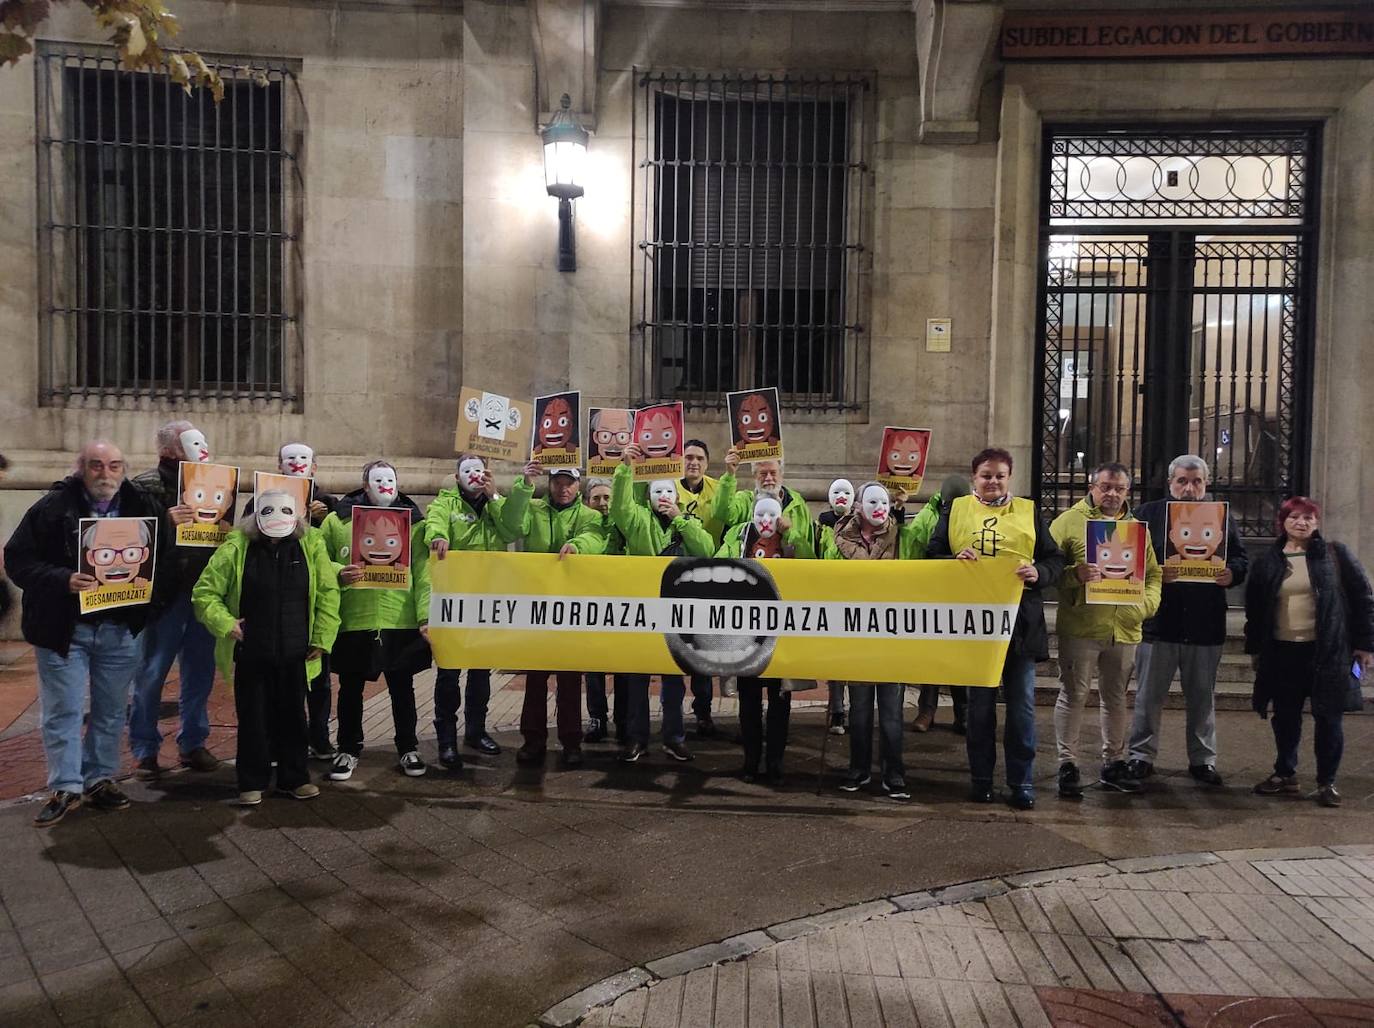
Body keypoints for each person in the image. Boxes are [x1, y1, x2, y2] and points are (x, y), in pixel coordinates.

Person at [6, 441, 170, 826]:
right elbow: (19, 560)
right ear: (81, 468)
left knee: (112, 711)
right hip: (66, 628)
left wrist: (148, 603)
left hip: (120, 629)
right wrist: (62, 579)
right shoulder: (51, 508)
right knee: (62, 710)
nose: (105, 474)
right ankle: (66, 785)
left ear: (124, 469)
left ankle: (99, 779)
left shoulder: (144, 507)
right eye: (96, 466)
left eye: (114, 466)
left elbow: (165, 562)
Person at [928, 447, 1064, 810]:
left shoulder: (1028, 511)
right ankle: (981, 779)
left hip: (1020, 623)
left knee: (1021, 708)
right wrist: (952, 560)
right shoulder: (955, 510)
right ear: (975, 478)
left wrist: (1040, 573)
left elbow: (1054, 559)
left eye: (1000, 475)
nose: (993, 481)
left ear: (1010, 478)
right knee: (979, 708)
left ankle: (1021, 781)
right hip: (973, 625)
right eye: (986, 475)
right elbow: (933, 555)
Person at [192, 488, 339, 805]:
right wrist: (226, 623)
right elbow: (205, 594)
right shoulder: (236, 548)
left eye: (285, 512)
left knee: (294, 718)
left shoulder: (310, 545)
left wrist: (322, 638)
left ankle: (294, 778)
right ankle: (251, 781)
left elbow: (328, 593)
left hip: (297, 651)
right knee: (253, 718)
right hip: (252, 652)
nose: (278, 519)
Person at [1125, 455, 1248, 787]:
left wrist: (1232, 573)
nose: (1189, 488)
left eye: (1196, 482)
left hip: (1205, 624)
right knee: (1148, 697)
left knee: (1202, 698)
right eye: (1182, 481)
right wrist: (1155, 573)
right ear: (1170, 483)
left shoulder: (1222, 517)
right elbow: (1129, 556)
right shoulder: (1148, 514)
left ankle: (1203, 760)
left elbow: (1240, 556)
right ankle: (1140, 756)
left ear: (1206, 484)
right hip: (1159, 623)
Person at [1245, 497, 1374, 808]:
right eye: (1295, 517)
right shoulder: (1268, 560)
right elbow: (1255, 607)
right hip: (1282, 651)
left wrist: (1366, 645)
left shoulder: (1334, 555)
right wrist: (1255, 649)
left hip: (1327, 652)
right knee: (1286, 717)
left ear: (1316, 523)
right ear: (1283, 521)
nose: (1301, 522)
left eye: (1308, 518)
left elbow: (1363, 598)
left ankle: (1326, 782)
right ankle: (1285, 774)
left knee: (1329, 719)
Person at [1050, 462, 1162, 799]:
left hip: (1124, 628)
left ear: (1128, 491)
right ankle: (1067, 763)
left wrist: (1145, 607)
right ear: (1091, 486)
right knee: (1073, 694)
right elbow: (1048, 568)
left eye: (1119, 488)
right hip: (1081, 626)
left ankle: (1113, 761)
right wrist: (1074, 574)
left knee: (1115, 698)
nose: (1112, 494)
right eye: (1105, 487)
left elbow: (1153, 575)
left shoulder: (1135, 528)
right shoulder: (1068, 522)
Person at [597, 450, 714, 764]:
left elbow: (706, 549)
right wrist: (624, 469)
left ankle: (674, 738)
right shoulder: (637, 521)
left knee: (674, 681)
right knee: (637, 680)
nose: (663, 497)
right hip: (642, 612)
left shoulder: (686, 522)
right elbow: (621, 507)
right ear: (647, 497)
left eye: (668, 492)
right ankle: (636, 739)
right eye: (656, 492)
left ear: (676, 496)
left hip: (675, 614)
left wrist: (679, 518)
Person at [822, 482, 937, 800]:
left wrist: (919, 498)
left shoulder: (904, 538)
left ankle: (893, 774)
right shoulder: (838, 541)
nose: (879, 507)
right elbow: (828, 581)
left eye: (884, 501)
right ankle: (857, 771)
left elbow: (928, 536)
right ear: (858, 506)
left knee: (891, 710)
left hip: (891, 636)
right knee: (859, 711)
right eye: (872, 501)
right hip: (856, 634)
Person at [321, 461, 432, 782]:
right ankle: (348, 748)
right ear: (365, 485)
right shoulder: (336, 522)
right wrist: (336, 571)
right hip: (355, 618)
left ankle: (408, 747)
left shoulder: (416, 525)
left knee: (402, 688)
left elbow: (424, 574)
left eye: (391, 479)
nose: (386, 485)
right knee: (350, 689)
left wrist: (425, 615)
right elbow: (319, 558)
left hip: (400, 619)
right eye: (378, 480)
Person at [128, 421, 223, 779]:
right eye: (192, 443)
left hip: (202, 592)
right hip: (164, 597)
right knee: (152, 673)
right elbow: (127, 543)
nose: (203, 448)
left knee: (200, 672)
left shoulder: (215, 484)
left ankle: (193, 743)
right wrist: (163, 522)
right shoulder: (145, 487)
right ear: (169, 450)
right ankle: (144, 749)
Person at [500, 463, 606, 767]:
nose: (563, 488)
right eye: (558, 482)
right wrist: (524, 485)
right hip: (537, 606)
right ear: (550, 482)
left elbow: (595, 540)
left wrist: (577, 546)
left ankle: (571, 741)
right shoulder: (532, 508)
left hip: (572, 608)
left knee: (570, 679)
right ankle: (533, 740)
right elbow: (510, 526)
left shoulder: (590, 516)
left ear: (578, 484)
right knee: (535, 678)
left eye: (569, 482)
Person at [424, 454, 516, 764]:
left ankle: (476, 731)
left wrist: (496, 498)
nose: (474, 476)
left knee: (481, 672)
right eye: (468, 471)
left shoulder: (494, 504)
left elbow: (512, 530)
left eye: (480, 470)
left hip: (486, 601)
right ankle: (446, 739)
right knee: (449, 673)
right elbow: (435, 522)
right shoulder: (445, 503)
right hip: (453, 602)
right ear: (457, 476)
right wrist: (438, 535)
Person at [718, 496, 814, 785]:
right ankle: (750, 761)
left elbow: (811, 562)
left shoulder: (790, 539)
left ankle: (775, 762)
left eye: (771, 515)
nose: (765, 521)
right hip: (747, 633)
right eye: (760, 514)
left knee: (779, 700)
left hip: (781, 634)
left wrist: (792, 535)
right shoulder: (740, 537)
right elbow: (721, 560)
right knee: (749, 701)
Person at [272, 443, 339, 758]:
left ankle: (319, 735)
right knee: (281, 680)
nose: (297, 464)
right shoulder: (263, 499)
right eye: (290, 459)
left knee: (320, 678)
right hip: (276, 602)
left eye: (304, 459)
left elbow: (339, 548)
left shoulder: (329, 505)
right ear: (279, 466)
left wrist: (323, 520)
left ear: (314, 466)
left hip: (313, 602)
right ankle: (284, 739)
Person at [911, 475, 972, 734]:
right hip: (933, 594)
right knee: (932, 660)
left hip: (964, 596)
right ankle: (927, 710)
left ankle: (963, 713)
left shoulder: (974, 514)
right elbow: (918, 549)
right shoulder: (927, 516)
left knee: (960, 660)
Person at [678, 439, 723, 737]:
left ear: (706, 463)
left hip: (707, 575)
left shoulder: (718, 488)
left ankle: (703, 710)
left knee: (702, 649)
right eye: (688, 457)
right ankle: (672, 713)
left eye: (699, 458)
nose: (693, 462)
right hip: (673, 572)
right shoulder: (667, 486)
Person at [580, 477, 628, 744]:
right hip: (593, 601)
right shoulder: (586, 525)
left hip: (623, 603)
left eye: (607, 498)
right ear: (587, 502)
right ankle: (597, 718)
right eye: (596, 498)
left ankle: (622, 719)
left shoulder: (624, 525)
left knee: (622, 665)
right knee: (594, 666)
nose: (602, 504)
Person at [815, 479, 855, 735]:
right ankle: (837, 710)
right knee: (836, 660)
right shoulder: (822, 524)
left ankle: (852, 709)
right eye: (836, 492)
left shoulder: (861, 523)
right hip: (830, 595)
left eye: (846, 493)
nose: (841, 497)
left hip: (855, 595)